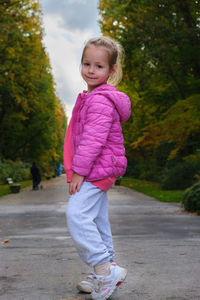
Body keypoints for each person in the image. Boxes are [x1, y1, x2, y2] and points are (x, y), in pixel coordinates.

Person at [64, 36, 131, 300]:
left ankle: (104, 270)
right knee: (97, 219)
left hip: (95, 169)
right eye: (86, 63)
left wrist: (78, 171)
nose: (91, 70)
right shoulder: (93, 97)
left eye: (99, 66)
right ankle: (108, 270)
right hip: (101, 169)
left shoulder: (100, 100)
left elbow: (93, 140)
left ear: (111, 70)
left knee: (77, 215)